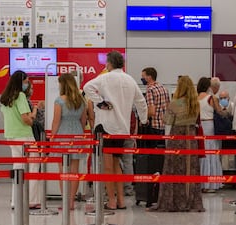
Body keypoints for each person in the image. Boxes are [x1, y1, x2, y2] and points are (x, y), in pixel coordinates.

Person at [83, 51, 148, 210]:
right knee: (117, 164)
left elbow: (87, 87)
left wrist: (101, 103)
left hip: (106, 126)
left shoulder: (105, 77)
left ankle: (111, 201)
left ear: (110, 64)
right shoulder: (130, 80)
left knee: (107, 166)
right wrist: (144, 120)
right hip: (122, 128)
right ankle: (121, 200)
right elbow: (141, 102)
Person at [149, 75, 205, 212]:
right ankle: (190, 200)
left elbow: (167, 120)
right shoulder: (195, 104)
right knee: (190, 170)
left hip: (177, 138)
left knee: (173, 169)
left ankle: (173, 201)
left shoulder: (176, 103)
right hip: (191, 139)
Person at [0, 70, 41, 209]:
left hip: (11, 135)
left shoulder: (5, 97)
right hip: (24, 136)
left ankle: (16, 201)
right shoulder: (21, 96)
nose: (27, 84)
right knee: (33, 166)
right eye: (26, 81)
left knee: (18, 167)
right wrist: (34, 112)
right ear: (20, 82)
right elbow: (26, 119)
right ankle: (31, 200)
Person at [51, 73, 87, 210]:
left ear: (63, 84)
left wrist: (53, 138)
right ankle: (72, 201)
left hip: (63, 135)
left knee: (63, 171)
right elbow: (83, 121)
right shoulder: (80, 100)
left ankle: (65, 201)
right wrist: (80, 133)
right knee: (75, 170)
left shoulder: (59, 101)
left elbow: (56, 121)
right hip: (77, 134)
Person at [197, 77, 223, 193]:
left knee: (202, 153)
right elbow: (219, 111)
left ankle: (202, 182)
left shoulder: (195, 98)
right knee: (212, 152)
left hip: (200, 126)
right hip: (210, 125)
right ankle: (211, 183)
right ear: (208, 86)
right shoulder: (211, 98)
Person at [141, 67, 170, 147]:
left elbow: (151, 111)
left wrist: (143, 118)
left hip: (153, 126)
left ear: (149, 77)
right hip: (164, 126)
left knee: (152, 153)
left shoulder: (150, 90)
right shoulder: (163, 88)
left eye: (143, 77)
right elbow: (168, 107)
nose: (142, 79)